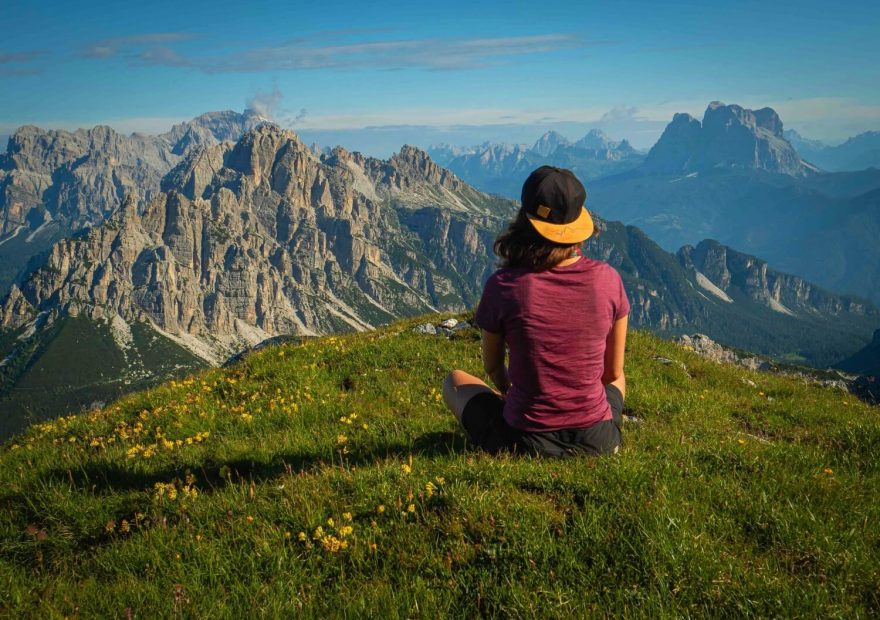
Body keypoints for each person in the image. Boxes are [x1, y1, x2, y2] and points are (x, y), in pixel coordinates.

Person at [442, 165, 630, 457]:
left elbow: (492, 367)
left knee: (454, 381)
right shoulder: (609, 279)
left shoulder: (503, 285)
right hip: (599, 441)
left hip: (523, 442)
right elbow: (613, 372)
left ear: (526, 219)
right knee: (619, 377)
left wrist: (512, 394)